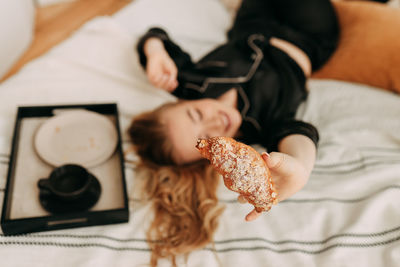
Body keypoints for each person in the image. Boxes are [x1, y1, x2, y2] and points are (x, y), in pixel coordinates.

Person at [129, 0, 339, 266]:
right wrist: (300, 166)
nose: (215, 123)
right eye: (207, 140)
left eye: (196, 114)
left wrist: (154, 51)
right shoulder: (262, 128)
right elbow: (298, 133)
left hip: (252, 19)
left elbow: (155, 34)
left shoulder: (189, 82)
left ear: (183, 102)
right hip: (308, 37)